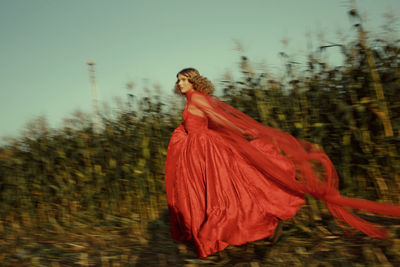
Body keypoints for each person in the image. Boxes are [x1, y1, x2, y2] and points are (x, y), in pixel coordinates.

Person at [164, 68, 400, 258]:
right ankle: (237, 229)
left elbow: (218, 119)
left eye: (183, 80)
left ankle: (260, 224)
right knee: (214, 192)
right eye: (178, 81)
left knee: (228, 189)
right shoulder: (191, 100)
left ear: (194, 81)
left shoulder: (197, 99)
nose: (180, 84)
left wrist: (243, 132)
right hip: (197, 152)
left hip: (206, 149)